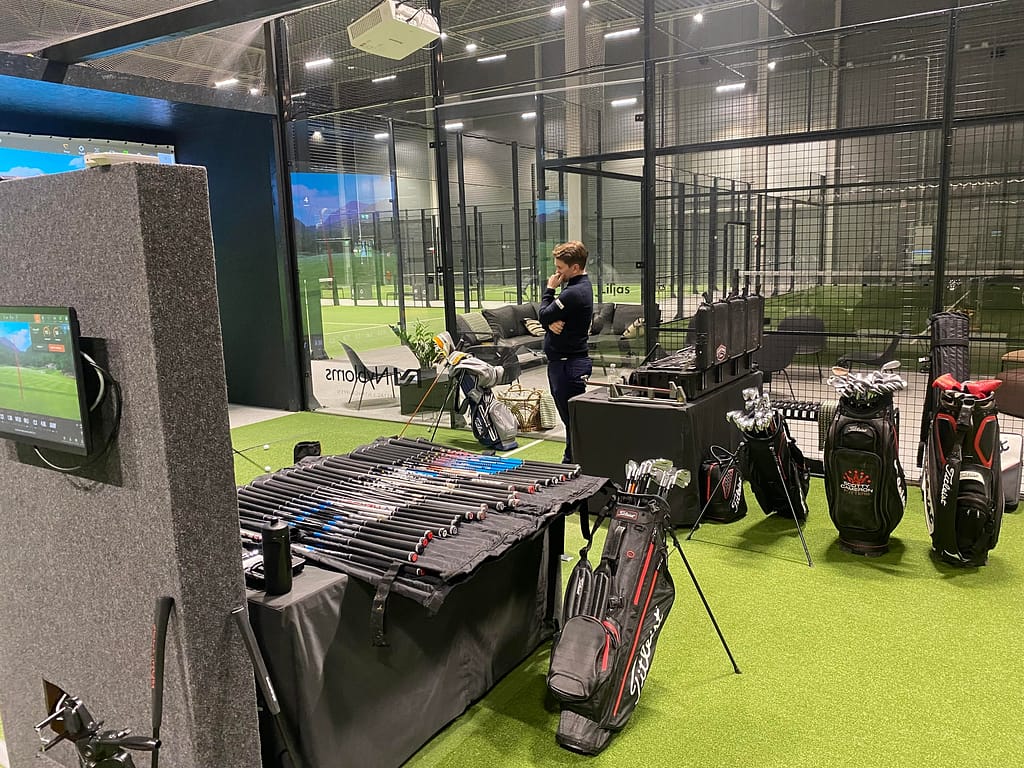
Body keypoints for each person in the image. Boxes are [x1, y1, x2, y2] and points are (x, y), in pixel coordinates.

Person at [538, 240, 594, 464]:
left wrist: (550, 289)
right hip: (565, 363)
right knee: (571, 420)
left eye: (560, 268)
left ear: (575, 267)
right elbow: (548, 319)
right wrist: (549, 324)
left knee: (572, 421)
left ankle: (573, 463)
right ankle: (574, 461)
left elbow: (543, 314)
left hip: (568, 366)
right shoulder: (577, 287)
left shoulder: (574, 292)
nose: (556, 273)